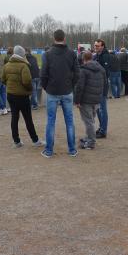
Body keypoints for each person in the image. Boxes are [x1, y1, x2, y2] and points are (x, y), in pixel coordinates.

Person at [40, 29, 80, 158]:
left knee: (51, 121)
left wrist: (46, 87)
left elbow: (43, 74)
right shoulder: (71, 53)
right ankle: (72, 150)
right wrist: (70, 85)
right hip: (65, 91)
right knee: (69, 121)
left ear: (54, 38)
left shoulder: (48, 54)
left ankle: (49, 151)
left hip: (55, 91)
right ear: (64, 38)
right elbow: (77, 73)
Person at [2, 45, 43, 148]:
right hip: (22, 96)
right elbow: (27, 81)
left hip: (11, 95)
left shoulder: (7, 65)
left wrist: (11, 86)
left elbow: (3, 80)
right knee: (28, 119)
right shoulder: (24, 66)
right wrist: (29, 90)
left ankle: (16, 142)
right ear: (22, 54)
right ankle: (35, 140)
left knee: (14, 118)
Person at [74, 51, 107, 150]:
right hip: (97, 98)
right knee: (91, 119)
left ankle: (91, 142)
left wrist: (77, 100)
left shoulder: (83, 70)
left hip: (86, 100)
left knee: (88, 121)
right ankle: (89, 137)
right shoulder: (101, 68)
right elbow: (105, 82)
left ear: (83, 59)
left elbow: (80, 87)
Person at [93, 39, 110, 138]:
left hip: (102, 85)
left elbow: (106, 72)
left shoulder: (105, 56)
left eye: (98, 46)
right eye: (95, 46)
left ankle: (103, 130)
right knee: (98, 109)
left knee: (102, 109)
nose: (96, 47)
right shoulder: (96, 56)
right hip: (96, 85)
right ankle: (101, 127)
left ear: (103, 46)